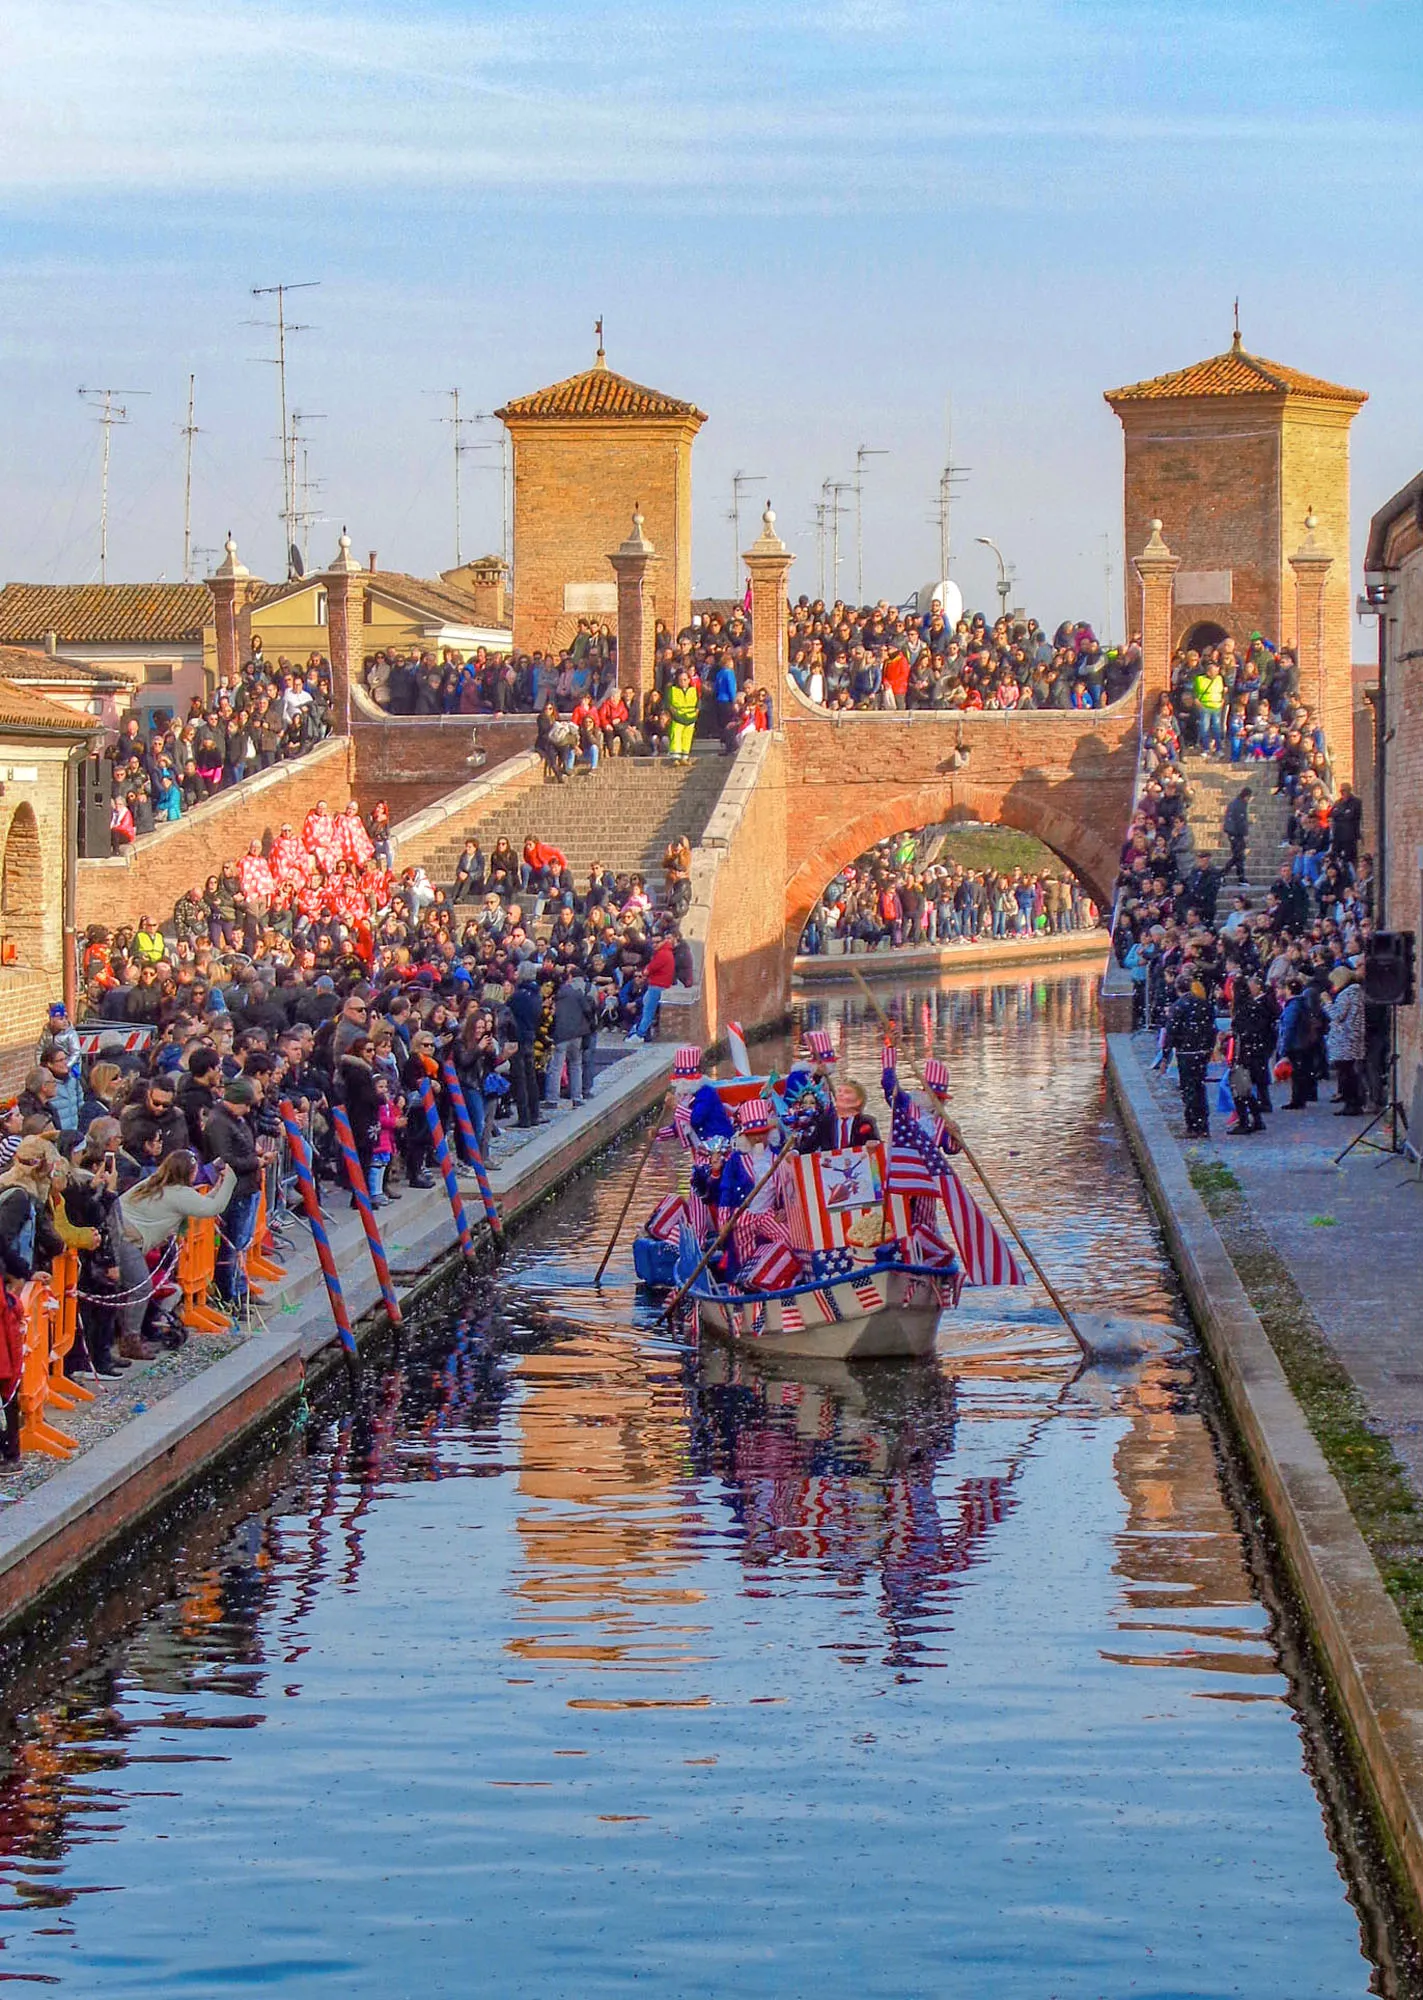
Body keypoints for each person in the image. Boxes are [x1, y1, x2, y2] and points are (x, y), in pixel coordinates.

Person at [1161, 976, 1217, 1138]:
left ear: (1177, 988)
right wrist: (1208, 1048)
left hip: (1187, 1053)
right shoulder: (1204, 1004)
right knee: (1199, 1086)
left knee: (1189, 1089)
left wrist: (1166, 1056)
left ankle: (1193, 1125)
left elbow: (1171, 1033)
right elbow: (1212, 1028)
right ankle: (1203, 1124)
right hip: (1201, 1052)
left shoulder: (1178, 1007)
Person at [797, 1075, 881, 1153]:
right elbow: (810, 1145)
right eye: (839, 1091)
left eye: (847, 1092)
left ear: (858, 1101)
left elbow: (877, 1142)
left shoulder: (867, 1121)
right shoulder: (825, 1121)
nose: (841, 1094)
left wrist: (874, 1143)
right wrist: (795, 1152)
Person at [1325, 964, 1366, 1115]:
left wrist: (1328, 1003)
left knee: (1346, 1073)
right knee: (1350, 1072)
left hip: (1345, 1038)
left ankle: (1351, 1104)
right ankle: (1353, 1103)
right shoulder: (1357, 992)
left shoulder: (1347, 994)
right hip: (1352, 1037)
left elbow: (1337, 1015)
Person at [1222, 785, 1252, 885]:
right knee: (1237, 855)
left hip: (1233, 833)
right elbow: (1241, 821)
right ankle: (1222, 874)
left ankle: (1241, 877)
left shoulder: (1235, 803)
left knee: (1239, 856)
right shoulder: (1240, 805)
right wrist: (1245, 833)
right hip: (1236, 834)